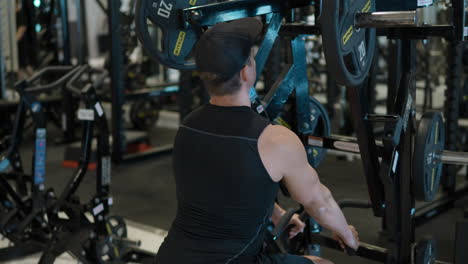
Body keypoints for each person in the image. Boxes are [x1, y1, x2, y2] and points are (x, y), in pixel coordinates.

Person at [156, 18, 359, 264]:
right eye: (252, 58)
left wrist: (277, 215)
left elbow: (223, 191)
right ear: (246, 71)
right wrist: (347, 235)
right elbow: (320, 202)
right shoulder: (275, 140)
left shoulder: (187, 127)